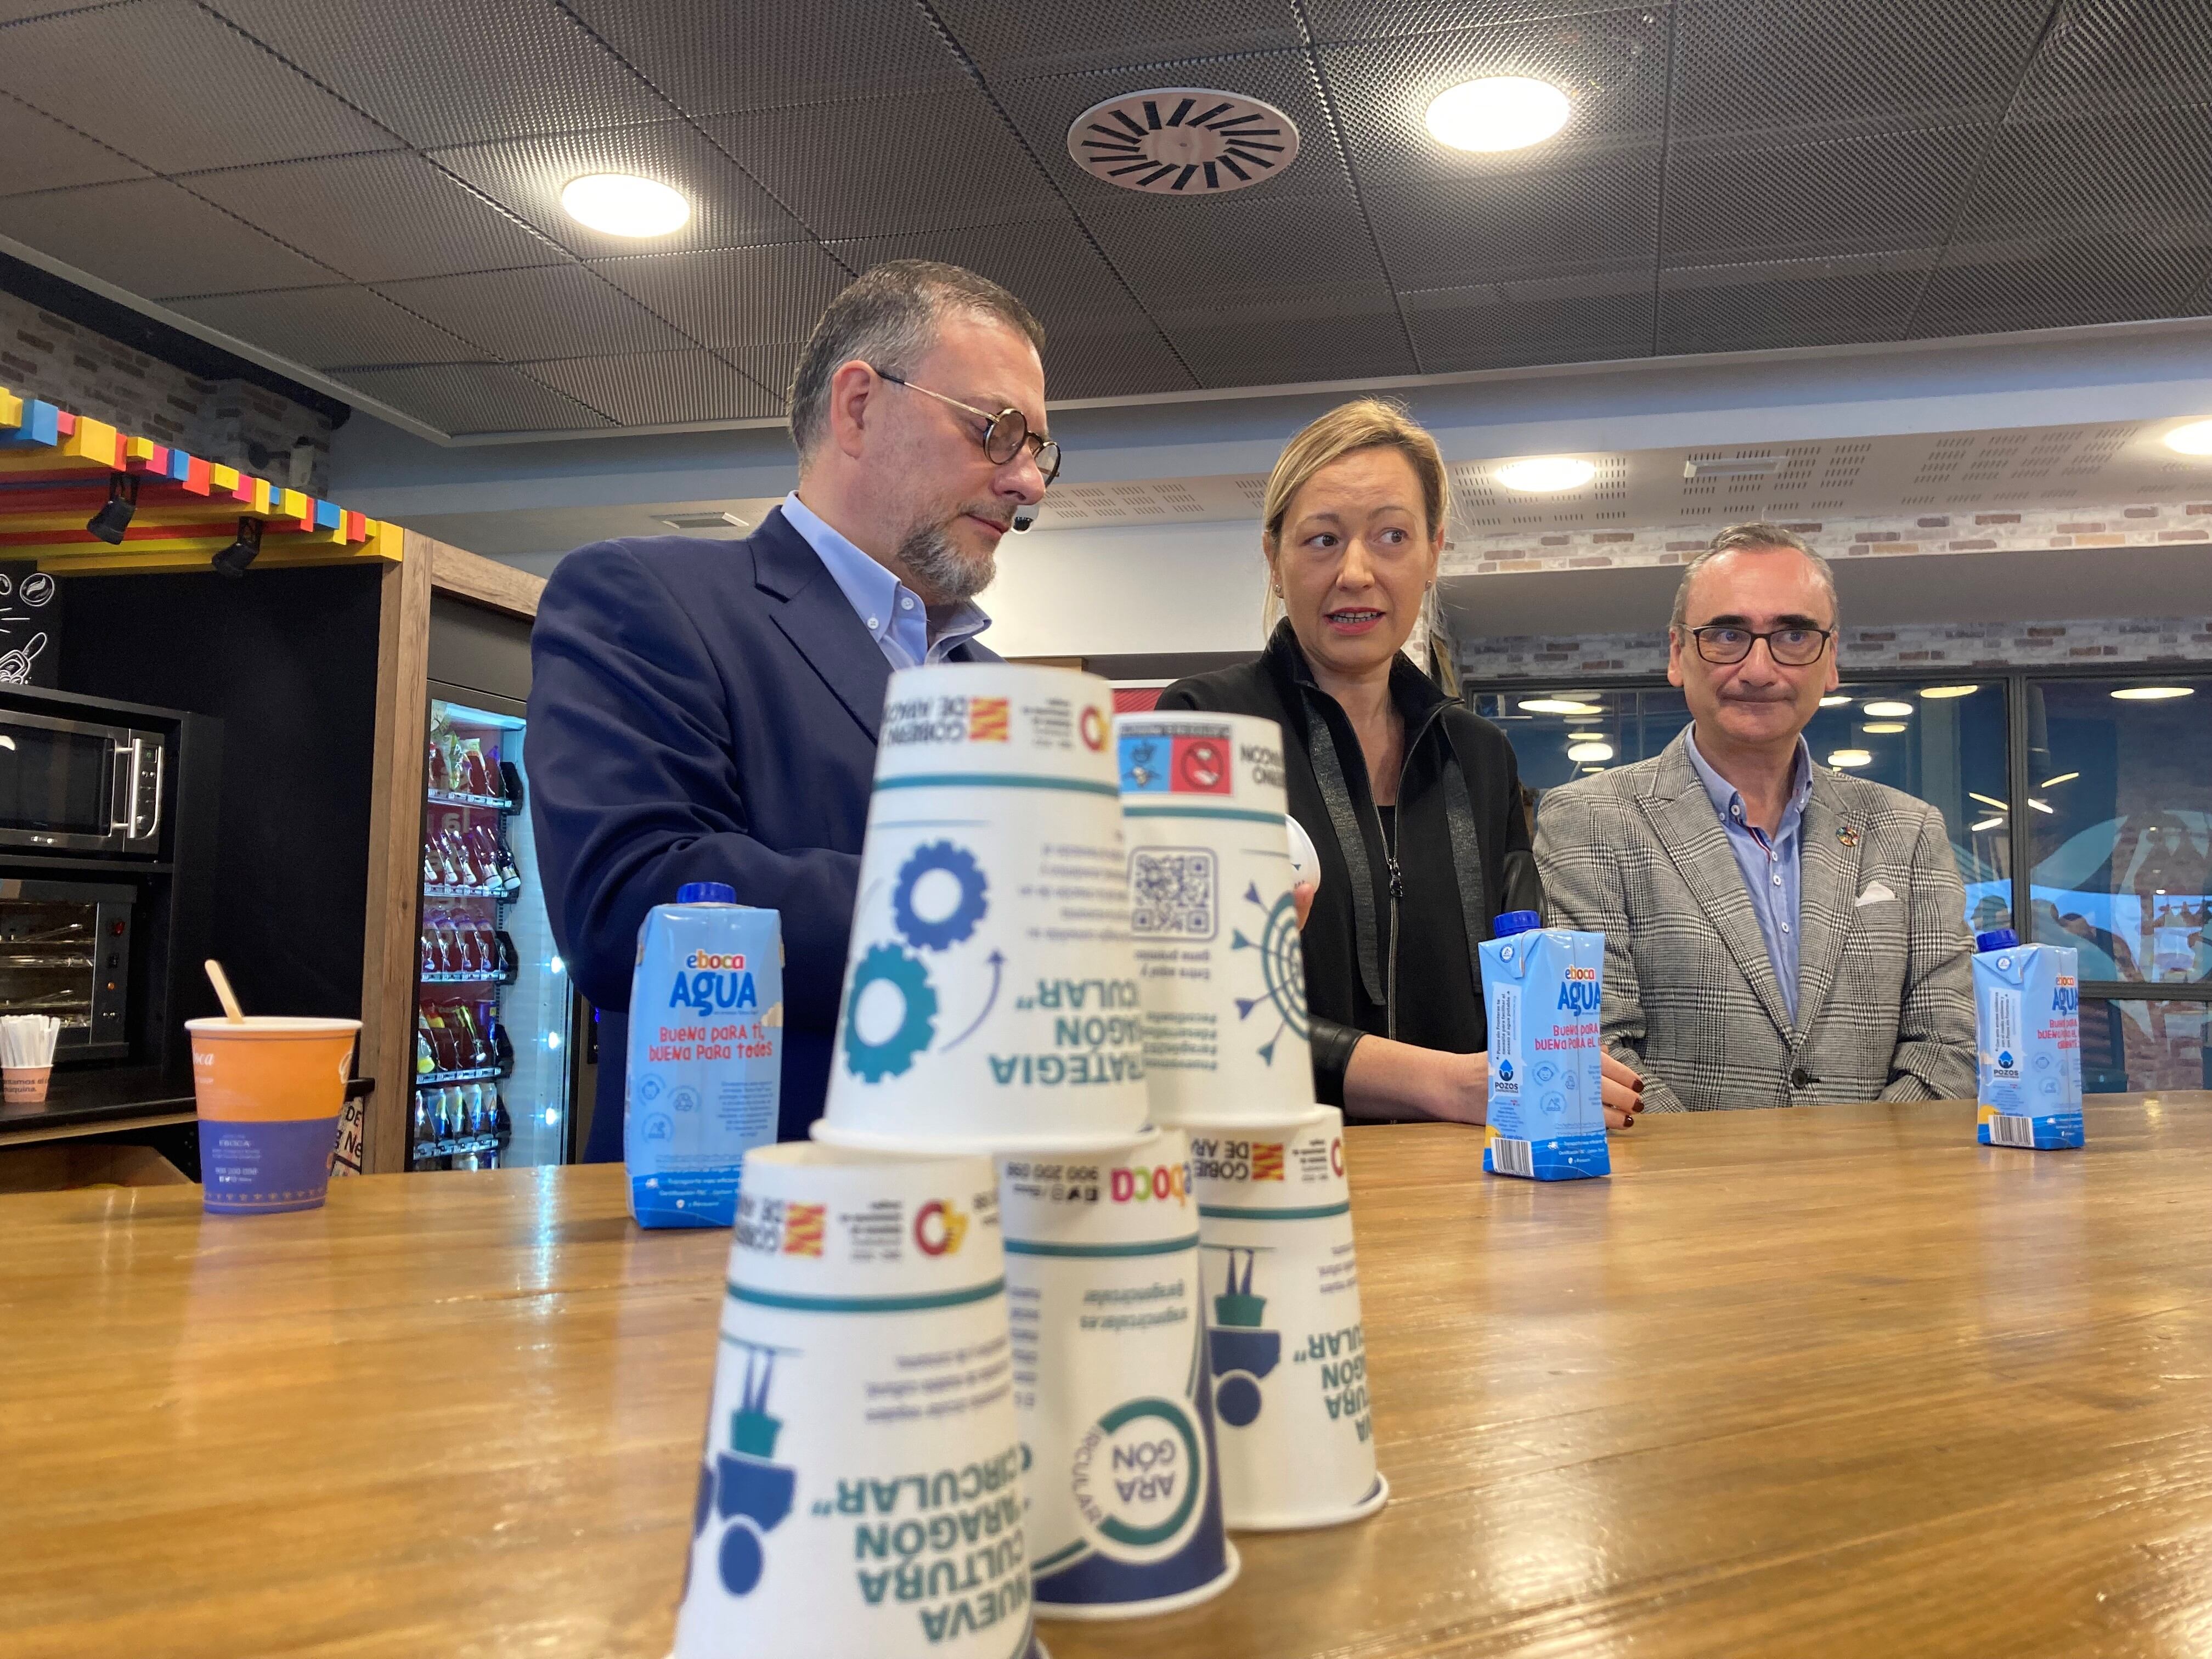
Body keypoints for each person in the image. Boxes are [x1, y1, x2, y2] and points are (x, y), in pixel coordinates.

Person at [529, 261, 1056, 1159]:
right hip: (737, 1238)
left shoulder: (1000, 691)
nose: (1028, 483)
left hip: (989, 1230)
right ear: (858, 404)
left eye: (1040, 449)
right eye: (998, 432)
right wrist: (1020, 913)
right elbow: (631, 907)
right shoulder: (646, 597)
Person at [1156, 399, 1644, 1130]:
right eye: (1322, 539)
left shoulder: (1479, 755)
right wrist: (1440, 1084)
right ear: (1275, 560)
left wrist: (1554, 1057)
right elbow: (1187, 1007)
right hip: (1275, 1175)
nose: (1356, 572)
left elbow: (1517, 968)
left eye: (1391, 536)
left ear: (1433, 552)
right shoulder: (1203, 728)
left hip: (1467, 1188)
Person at [1534, 523, 1974, 1111]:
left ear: (1831, 659)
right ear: (1677, 654)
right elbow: (1596, 1048)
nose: (1760, 669)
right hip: (1678, 1195)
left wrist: (1859, 1178)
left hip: (1879, 1194)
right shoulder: (1588, 820)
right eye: (1726, 635)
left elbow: (1951, 1043)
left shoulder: (1910, 830)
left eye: (1793, 634)